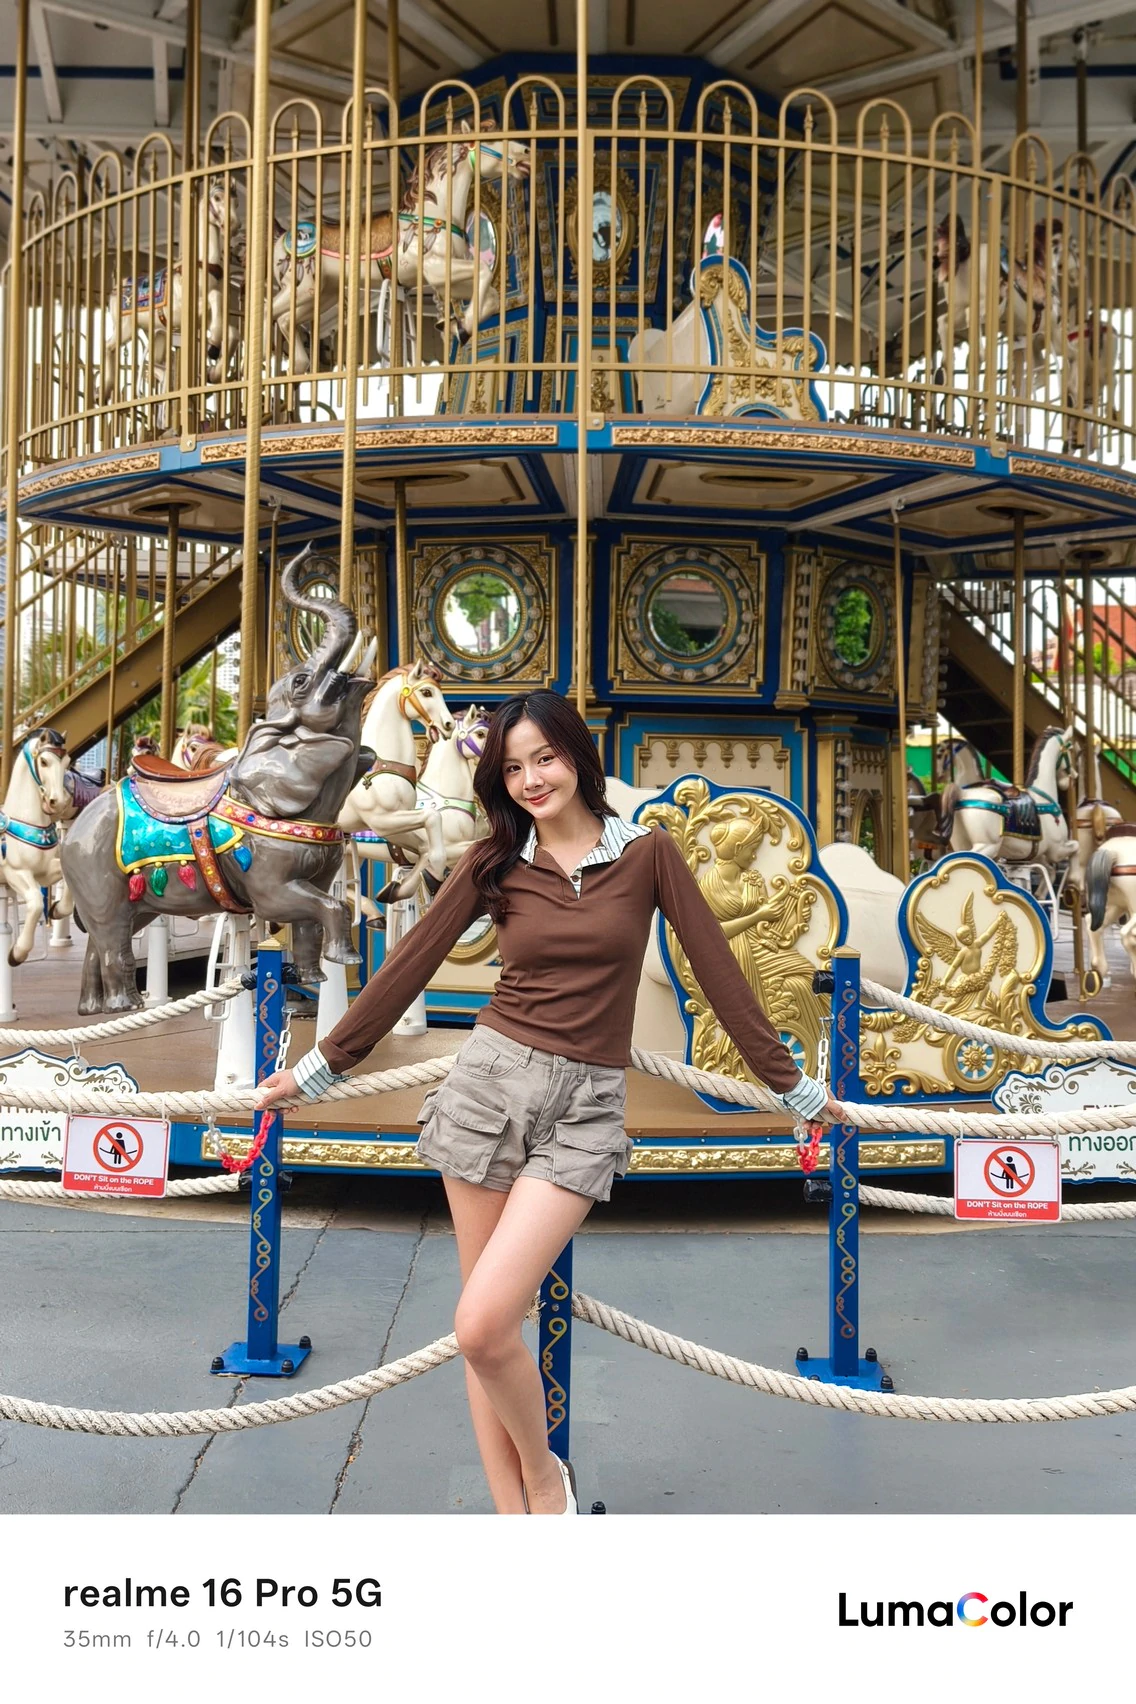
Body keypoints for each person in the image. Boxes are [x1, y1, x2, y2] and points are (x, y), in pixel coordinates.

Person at [255, 690, 840, 1514]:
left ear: (576, 757)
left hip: (587, 1107)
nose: (531, 779)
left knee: (485, 1320)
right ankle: (518, 1520)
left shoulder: (648, 854)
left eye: (545, 758)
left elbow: (717, 972)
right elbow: (409, 965)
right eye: (513, 767)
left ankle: (541, 1478)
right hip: (488, 1088)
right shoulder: (495, 859)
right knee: (483, 1327)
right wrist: (317, 1071)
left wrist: (794, 1086)